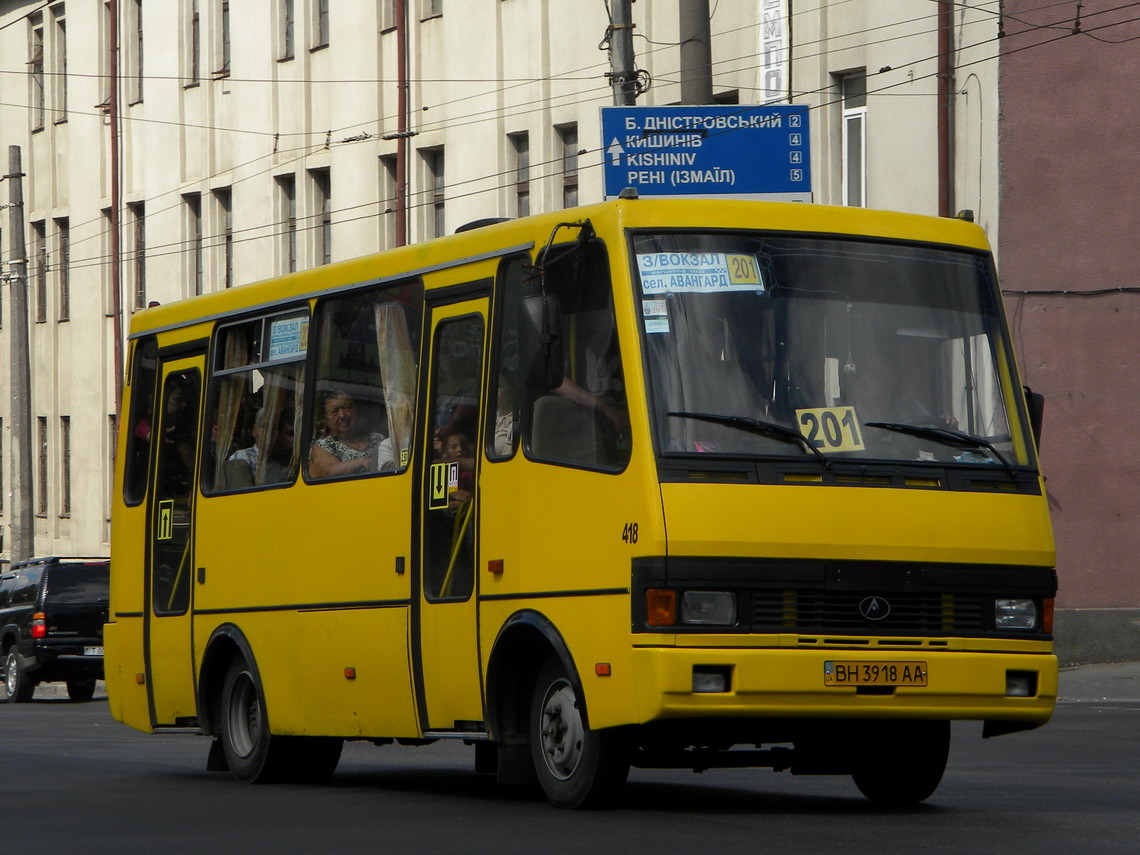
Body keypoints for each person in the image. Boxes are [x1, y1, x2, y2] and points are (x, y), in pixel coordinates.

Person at [308, 390, 395, 478]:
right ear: (326, 419)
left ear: (355, 410)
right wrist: (362, 462)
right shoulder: (323, 446)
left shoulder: (377, 438)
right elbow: (328, 471)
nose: (342, 415)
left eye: (346, 407)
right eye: (335, 411)